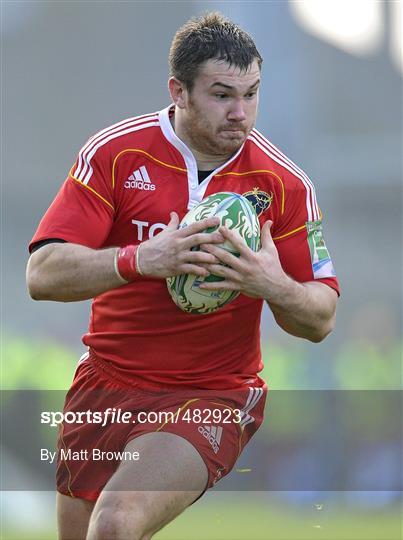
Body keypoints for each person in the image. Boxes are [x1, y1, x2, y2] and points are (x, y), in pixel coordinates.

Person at [27, 12, 339, 540]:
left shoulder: (284, 184)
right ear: (179, 91)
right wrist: (141, 259)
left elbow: (322, 318)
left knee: (116, 524)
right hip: (105, 385)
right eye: (222, 95)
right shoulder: (115, 153)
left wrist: (270, 283)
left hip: (211, 393)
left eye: (252, 94)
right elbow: (42, 273)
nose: (241, 113)